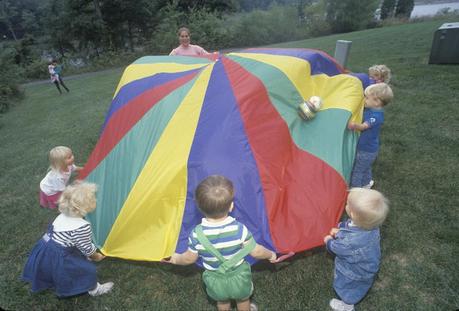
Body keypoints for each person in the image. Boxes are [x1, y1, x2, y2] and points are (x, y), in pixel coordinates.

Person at [163, 175, 277, 311]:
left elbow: (189, 258)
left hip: (215, 280)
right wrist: (271, 255)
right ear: (231, 206)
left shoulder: (196, 234)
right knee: (243, 299)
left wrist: (175, 259)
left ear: (199, 207)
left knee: (222, 302)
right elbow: (256, 251)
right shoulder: (239, 229)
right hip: (239, 277)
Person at [23, 182, 114, 297]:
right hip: (59, 255)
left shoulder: (62, 215)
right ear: (85, 206)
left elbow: (70, 240)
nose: (95, 200)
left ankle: (51, 278)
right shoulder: (82, 226)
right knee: (85, 270)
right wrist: (96, 256)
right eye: (93, 199)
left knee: (51, 268)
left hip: (45, 249)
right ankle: (95, 289)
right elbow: (86, 248)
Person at [323, 188, 389, 311]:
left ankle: (347, 305)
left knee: (348, 288)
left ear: (352, 213)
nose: (345, 204)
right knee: (360, 285)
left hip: (354, 272)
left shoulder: (350, 242)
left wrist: (328, 241)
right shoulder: (371, 225)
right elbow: (350, 226)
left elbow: (337, 248)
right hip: (367, 265)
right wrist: (339, 230)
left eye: (348, 204)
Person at [348, 83, 394, 188]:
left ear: (377, 102)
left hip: (366, 150)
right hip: (369, 149)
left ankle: (356, 192)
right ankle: (367, 183)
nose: (365, 99)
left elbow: (364, 126)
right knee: (365, 167)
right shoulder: (371, 109)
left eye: (367, 98)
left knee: (357, 171)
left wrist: (354, 125)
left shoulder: (376, 116)